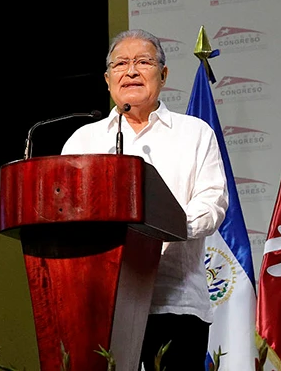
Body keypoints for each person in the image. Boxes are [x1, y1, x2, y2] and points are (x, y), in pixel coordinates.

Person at [61, 29, 228, 370]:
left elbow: (212, 204)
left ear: (163, 75)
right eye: (120, 63)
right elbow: (65, 212)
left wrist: (160, 228)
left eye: (143, 62)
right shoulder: (82, 140)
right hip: (101, 305)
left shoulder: (194, 133)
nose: (131, 71)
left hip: (175, 303)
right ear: (108, 80)